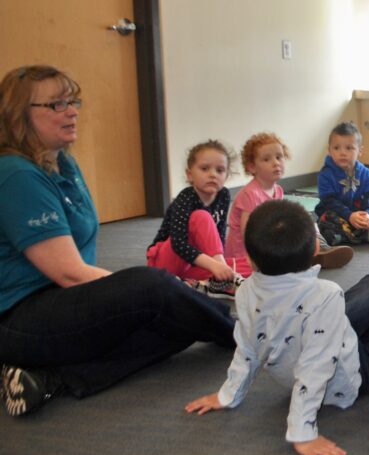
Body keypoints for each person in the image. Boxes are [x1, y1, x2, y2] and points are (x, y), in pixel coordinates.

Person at [0, 65, 235, 416]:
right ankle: (243, 334)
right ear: (19, 115)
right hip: (20, 320)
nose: (71, 111)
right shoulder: (16, 174)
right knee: (157, 290)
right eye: (56, 105)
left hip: (60, 304)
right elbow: (71, 275)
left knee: (177, 318)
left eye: (72, 101)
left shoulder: (62, 162)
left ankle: (52, 379)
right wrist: (152, 289)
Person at [185, 200, 369, 455]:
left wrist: (227, 394)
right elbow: (316, 366)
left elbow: (247, 349)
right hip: (348, 376)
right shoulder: (326, 294)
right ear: (316, 248)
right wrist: (302, 432)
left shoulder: (248, 290)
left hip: (318, 338)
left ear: (250, 258)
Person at [226, 132, 353, 270]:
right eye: (266, 159)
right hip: (246, 255)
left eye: (279, 157)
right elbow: (248, 234)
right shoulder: (250, 194)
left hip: (269, 243)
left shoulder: (278, 190)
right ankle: (302, 257)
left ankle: (319, 248)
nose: (276, 163)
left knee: (305, 219)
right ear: (252, 167)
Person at [146, 139, 250, 297]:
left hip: (196, 262)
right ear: (190, 174)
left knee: (249, 264)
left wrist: (219, 265)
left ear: (227, 176)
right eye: (204, 168)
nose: (212, 174)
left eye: (220, 170)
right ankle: (217, 280)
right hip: (168, 260)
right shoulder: (186, 198)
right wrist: (216, 265)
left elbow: (219, 237)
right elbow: (178, 244)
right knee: (202, 216)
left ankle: (198, 283)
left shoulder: (223, 195)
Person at [314, 121, 369, 244]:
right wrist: (349, 216)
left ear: (360, 150)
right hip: (339, 214)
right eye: (336, 148)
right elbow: (329, 201)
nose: (342, 152)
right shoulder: (326, 174)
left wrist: (368, 215)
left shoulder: (365, 173)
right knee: (329, 219)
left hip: (358, 213)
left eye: (349, 148)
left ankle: (347, 236)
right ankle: (367, 235)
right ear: (330, 150)